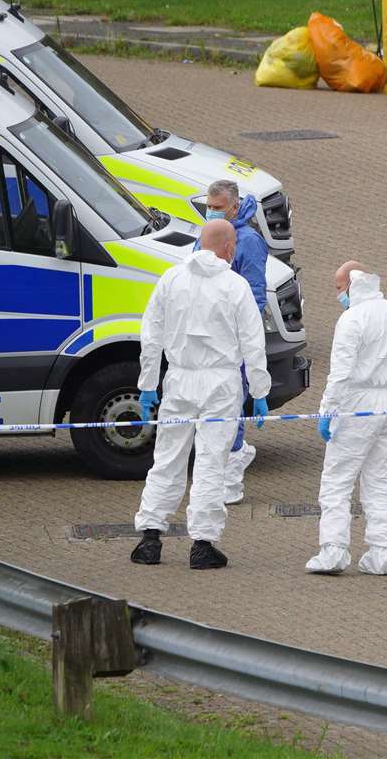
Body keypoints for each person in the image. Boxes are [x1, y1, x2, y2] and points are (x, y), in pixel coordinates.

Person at [130, 220, 270, 570]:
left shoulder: (171, 279)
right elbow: (254, 342)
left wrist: (148, 384)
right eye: (233, 243)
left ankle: (150, 537)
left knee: (167, 458)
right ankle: (202, 544)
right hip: (220, 384)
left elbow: (150, 336)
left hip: (178, 380)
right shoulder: (234, 286)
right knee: (211, 462)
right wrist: (260, 390)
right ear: (226, 247)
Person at [306, 261, 387, 577]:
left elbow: (340, 373)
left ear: (352, 285)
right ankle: (382, 552)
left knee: (337, 480)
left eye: (340, 288)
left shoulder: (351, 319)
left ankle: (334, 550)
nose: (338, 295)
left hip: (358, 403)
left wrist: (328, 411)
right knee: (379, 479)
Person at [201, 179, 267, 507]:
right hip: (210, 339)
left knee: (231, 406)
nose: (211, 212)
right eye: (208, 206)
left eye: (217, 207)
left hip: (234, 338)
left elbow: (255, 294)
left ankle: (232, 477)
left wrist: (246, 341)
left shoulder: (248, 242)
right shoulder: (208, 235)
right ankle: (225, 467)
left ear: (234, 206)